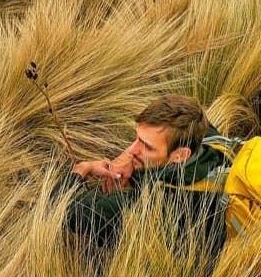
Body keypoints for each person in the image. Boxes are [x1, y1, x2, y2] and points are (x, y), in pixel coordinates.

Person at [63, 93, 229, 259]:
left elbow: (65, 211)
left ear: (180, 155)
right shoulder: (208, 141)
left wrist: (83, 168)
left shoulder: (153, 201)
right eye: (137, 139)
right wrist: (127, 158)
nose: (134, 149)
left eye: (148, 147)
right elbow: (197, 116)